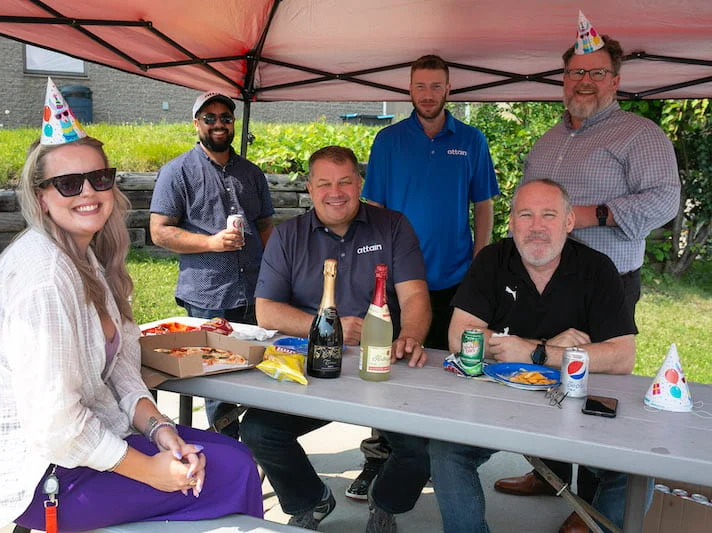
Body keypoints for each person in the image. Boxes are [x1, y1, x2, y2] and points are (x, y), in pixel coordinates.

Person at [0, 80, 263, 532]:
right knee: (228, 474)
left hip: (93, 445)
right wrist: (151, 471)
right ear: (41, 198)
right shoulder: (44, 276)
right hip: (40, 476)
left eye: (99, 178)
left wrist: (160, 429)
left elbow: (121, 367)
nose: (87, 191)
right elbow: (54, 426)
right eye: (67, 183)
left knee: (233, 455)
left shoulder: (87, 257)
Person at [499, 15, 680, 531]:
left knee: (599, 381)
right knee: (548, 368)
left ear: (616, 80)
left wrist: (593, 212)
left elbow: (665, 200)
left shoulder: (639, 134)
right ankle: (550, 472)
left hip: (608, 280)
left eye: (596, 73)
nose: (585, 81)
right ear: (564, 80)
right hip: (545, 279)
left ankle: (595, 502)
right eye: (576, 72)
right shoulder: (548, 140)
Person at [428, 179, 641, 533]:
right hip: (497, 399)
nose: (537, 227)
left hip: (573, 403)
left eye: (549, 215)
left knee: (632, 471)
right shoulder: (492, 260)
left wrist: (537, 352)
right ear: (511, 221)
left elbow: (622, 357)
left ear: (569, 222)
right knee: (447, 453)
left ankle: (594, 526)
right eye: (526, 215)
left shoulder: (597, 268)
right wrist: (566, 350)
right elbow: (459, 336)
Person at [240, 146, 432, 532]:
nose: (336, 191)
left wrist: (410, 335)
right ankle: (311, 499)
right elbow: (267, 311)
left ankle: (386, 502)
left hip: (382, 366)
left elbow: (414, 295)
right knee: (259, 430)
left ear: (359, 183)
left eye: (345, 181)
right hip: (314, 369)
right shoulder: (288, 235)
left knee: (421, 444)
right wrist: (331, 325)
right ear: (310, 188)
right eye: (324, 182)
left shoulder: (393, 226)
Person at [352, 53, 500, 500]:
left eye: (437, 86)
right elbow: (372, 208)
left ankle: (436, 458)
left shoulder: (472, 141)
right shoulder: (388, 140)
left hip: (454, 275)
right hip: (396, 279)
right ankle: (377, 459)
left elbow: (484, 206)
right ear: (409, 89)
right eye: (421, 86)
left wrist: (481, 261)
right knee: (385, 369)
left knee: (441, 369)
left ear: (449, 89)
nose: (428, 94)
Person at [150, 91, 275, 439]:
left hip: (255, 290)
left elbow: (265, 225)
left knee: (258, 374)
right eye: (210, 118)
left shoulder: (251, 173)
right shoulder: (176, 172)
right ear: (196, 124)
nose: (219, 123)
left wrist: (276, 274)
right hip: (207, 295)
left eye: (225, 117)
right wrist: (210, 243)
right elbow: (159, 232)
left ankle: (259, 446)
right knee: (216, 383)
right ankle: (226, 452)